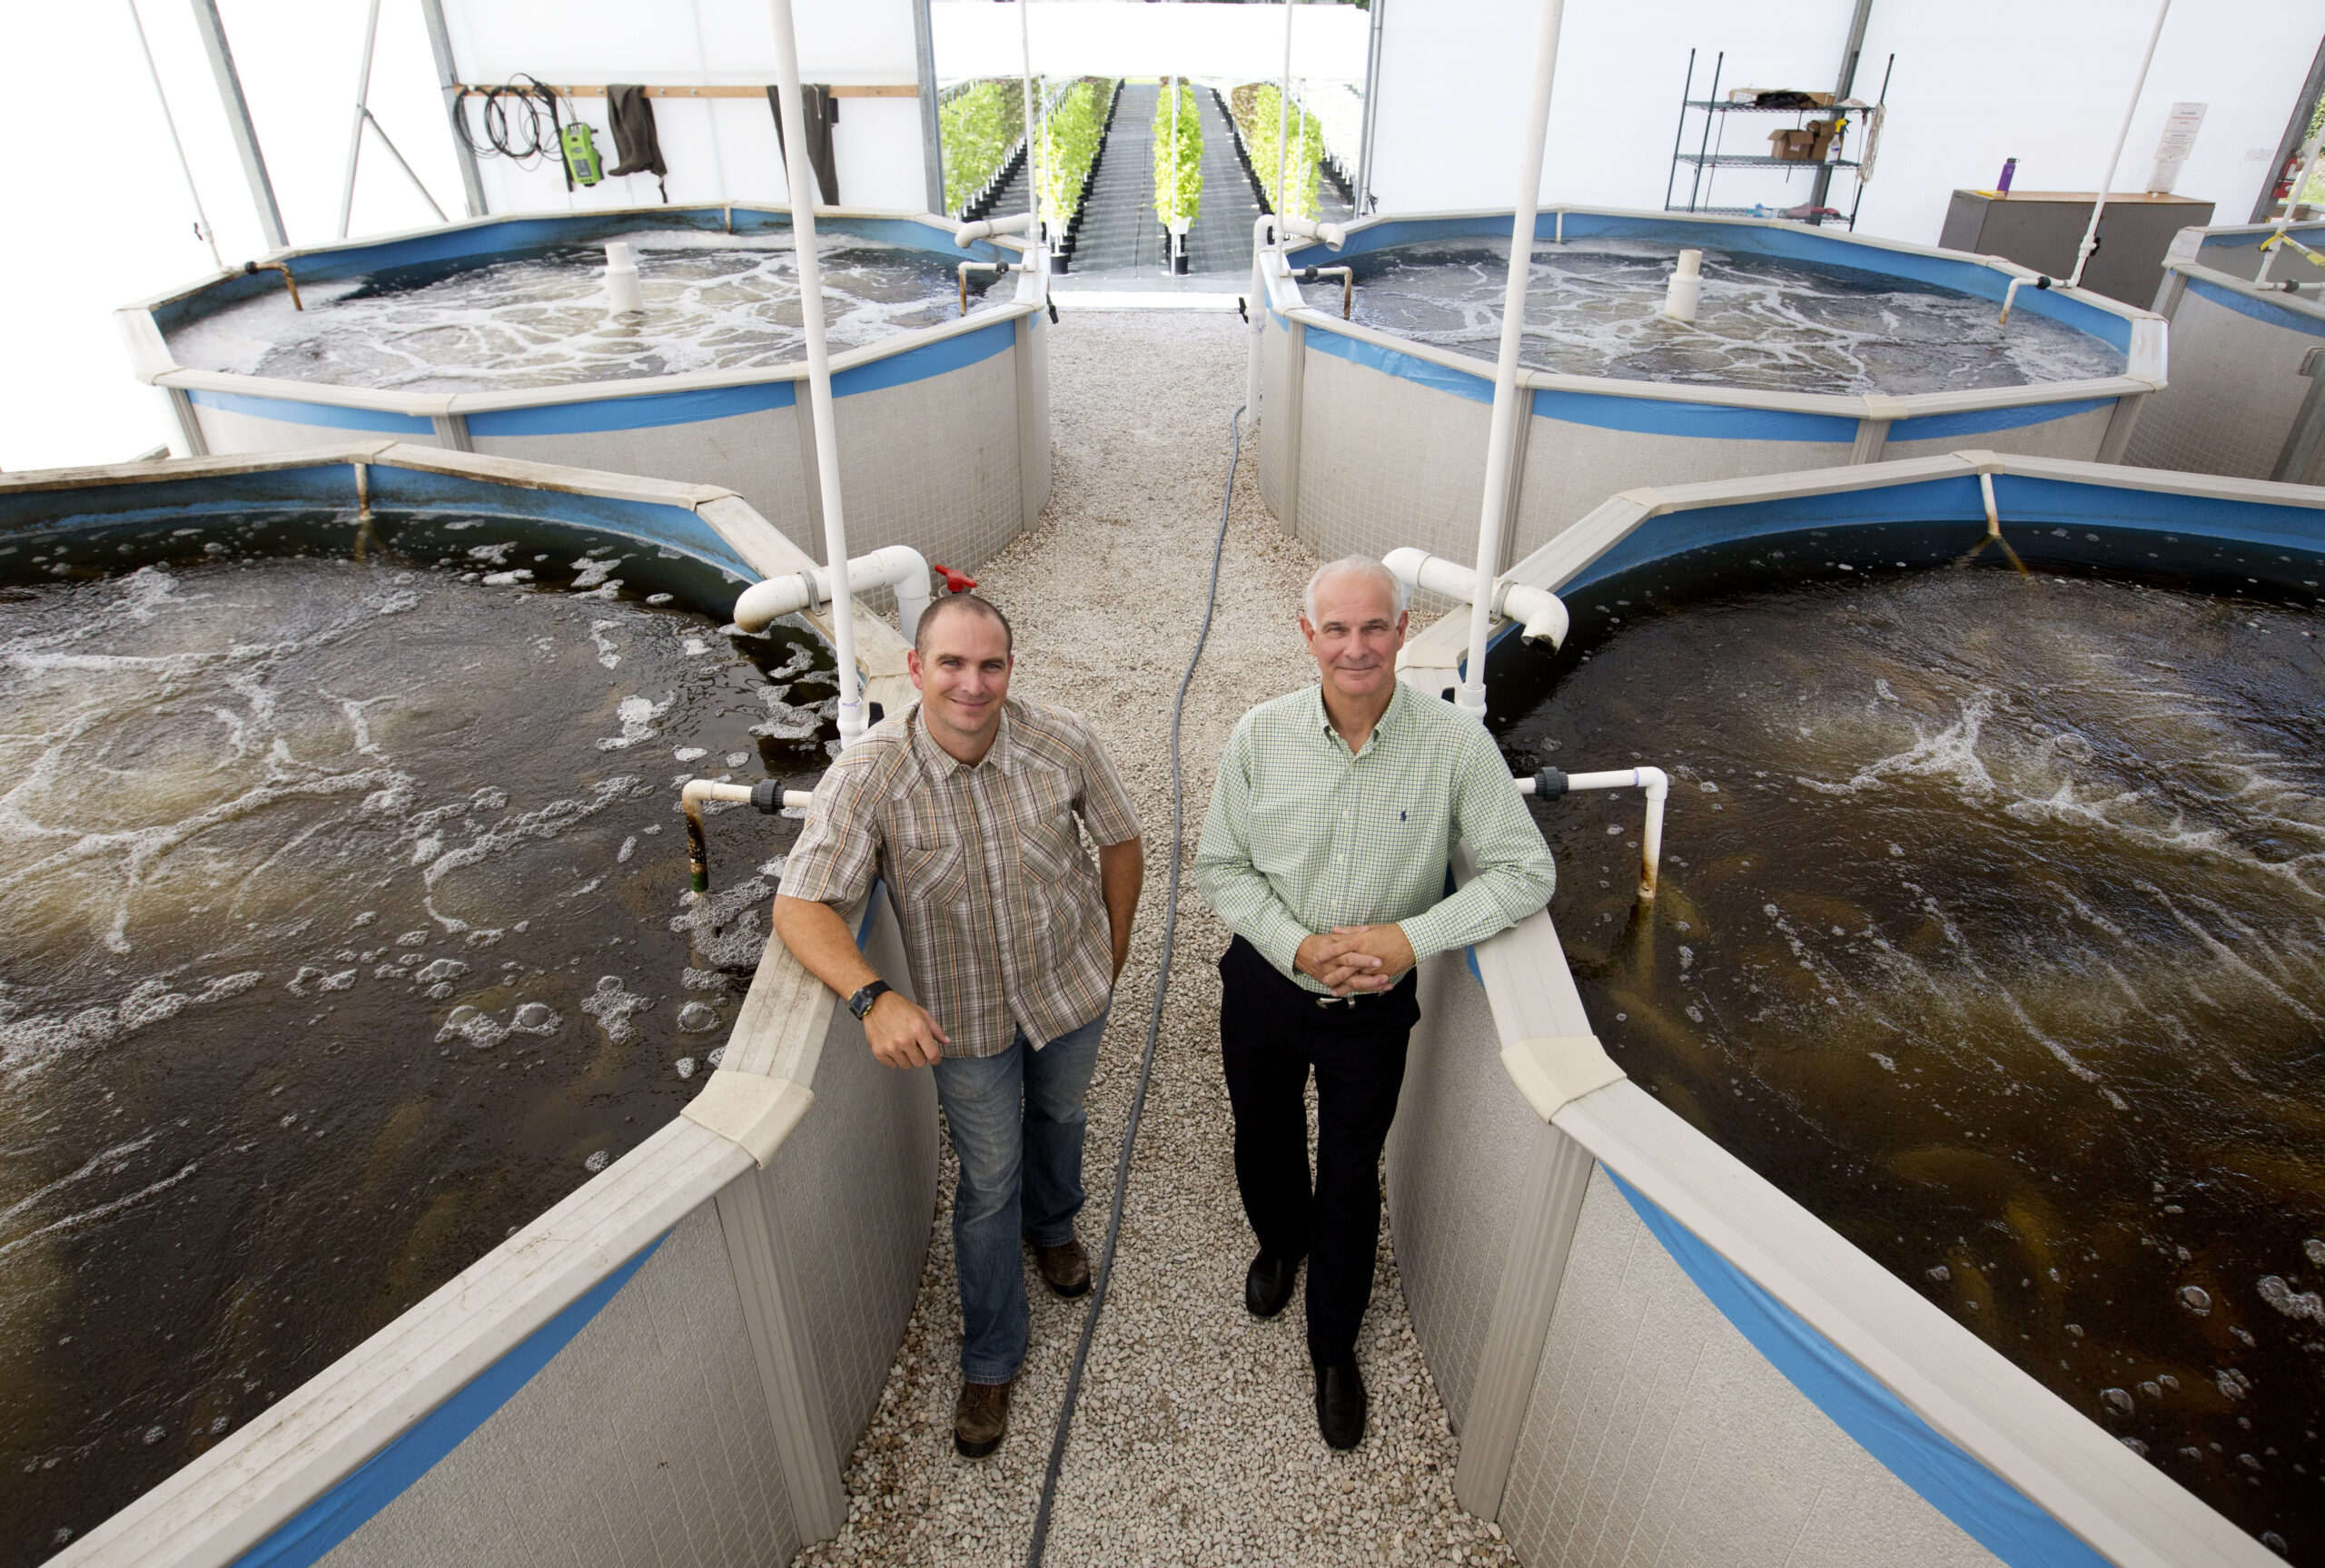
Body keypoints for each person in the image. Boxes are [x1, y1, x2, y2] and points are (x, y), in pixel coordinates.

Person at [1192, 556, 1557, 1451]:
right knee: (1264, 1130)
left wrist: (1410, 939)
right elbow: (1221, 867)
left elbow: (1526, 869)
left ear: (1402, 630)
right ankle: (1279, 1242)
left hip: (1375, 1012)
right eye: (1337, 628)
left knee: (1352, 1173)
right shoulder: (1258, 735)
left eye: (1375, 626)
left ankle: (1331, 1345)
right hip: (1267, 988)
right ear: (1306, 635)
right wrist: (1297, 946)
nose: (1356, 646)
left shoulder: (1454, 745)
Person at [772, 592, 1144, 1459]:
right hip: (965, 1023)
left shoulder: (1062, 741)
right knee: (987, 1179)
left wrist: (1113, 953)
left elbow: (1122, 841)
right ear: (915, 669)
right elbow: (800, 906)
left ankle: (1055, 1228)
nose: (971, 685)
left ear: (1011, 670)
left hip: (1070, 990)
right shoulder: (870, 773)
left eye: (990, 665)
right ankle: (991, 1355)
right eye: (951, 663)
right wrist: (874, 997)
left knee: (1060, 1116)